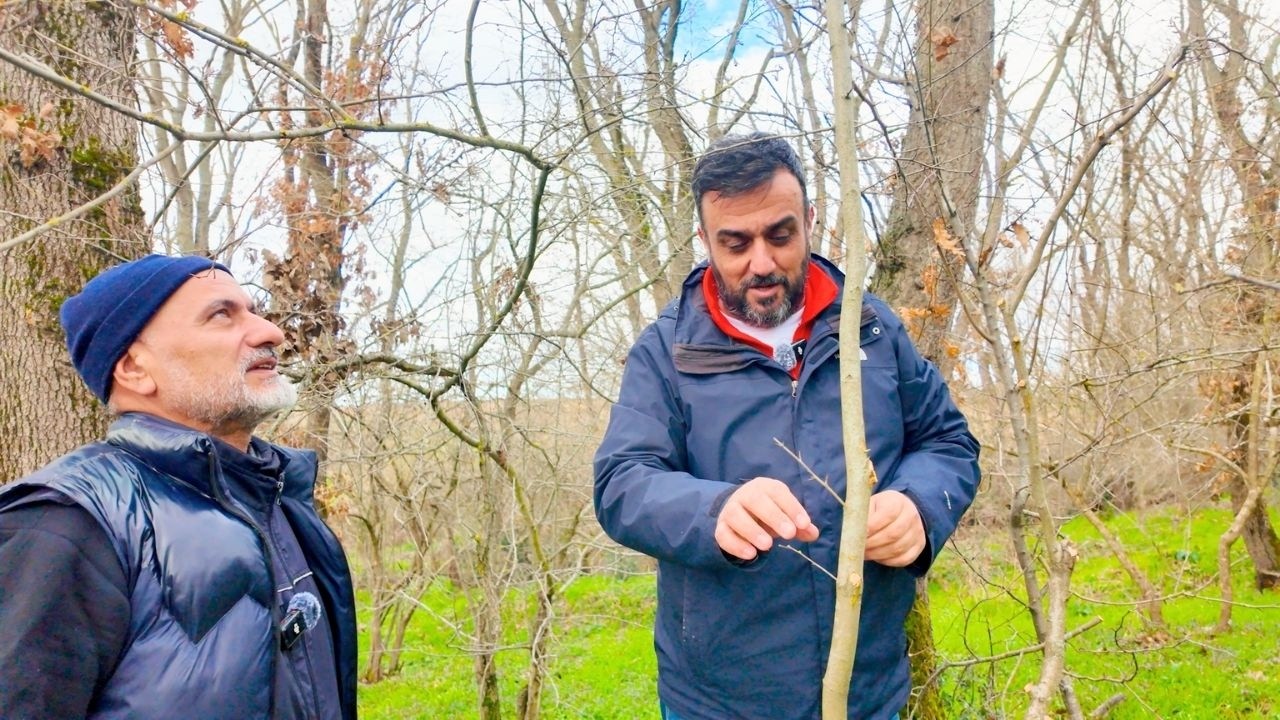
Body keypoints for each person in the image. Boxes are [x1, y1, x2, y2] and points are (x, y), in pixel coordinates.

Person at [593, 133, 981, 720]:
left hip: (867, 691)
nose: (762, 263)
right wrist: (712, 512)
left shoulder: (870, 330)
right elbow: (621, 482)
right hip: (718, 701)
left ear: (810, 221)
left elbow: (948, 442)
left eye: (780, 235)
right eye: (735, 243)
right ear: (705, 242)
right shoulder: (667, 351)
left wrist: (921, 508)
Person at [0, 255, 357, 720]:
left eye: (253, 310)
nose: (270, 331)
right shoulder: (66, 520)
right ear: (133, 370)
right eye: (221, 315)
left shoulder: (281, 497)